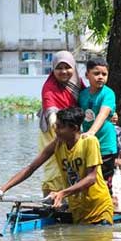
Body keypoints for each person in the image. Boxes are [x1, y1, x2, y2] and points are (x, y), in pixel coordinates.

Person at [0, 107, 114, 225]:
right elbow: (30, 168)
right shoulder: (58, 144)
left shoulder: (89, 142)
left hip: (99, 210)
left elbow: (91, 178)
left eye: (60, 127)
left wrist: (62, 193)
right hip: (79, 211)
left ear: (74, 128)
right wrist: (1, 190)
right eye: (55, 126)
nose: (55, 130)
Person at [38, 51, 85, 196]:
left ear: (74, 67)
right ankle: (50, 196)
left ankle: (69, 196)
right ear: (53, 69)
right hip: (53, 128)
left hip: (72, 128)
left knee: (74, 161)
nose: (64, 71)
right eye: (59, 68)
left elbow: (88, 103)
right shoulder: (49, 86)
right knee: (54, 164)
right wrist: (58, 130)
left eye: (67, 67)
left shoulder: (78, 83)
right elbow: (51, 110)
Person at [77, 58, 118, 190]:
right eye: (96, 73)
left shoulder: (108, 93)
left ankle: (107, 208)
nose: (100, 77)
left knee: (104, 183)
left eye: (104, 74)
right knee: (87, 180)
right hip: (88, 145)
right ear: (87, 75)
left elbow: (103, 113)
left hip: (106, 145)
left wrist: (91, 133)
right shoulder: (82, 95)